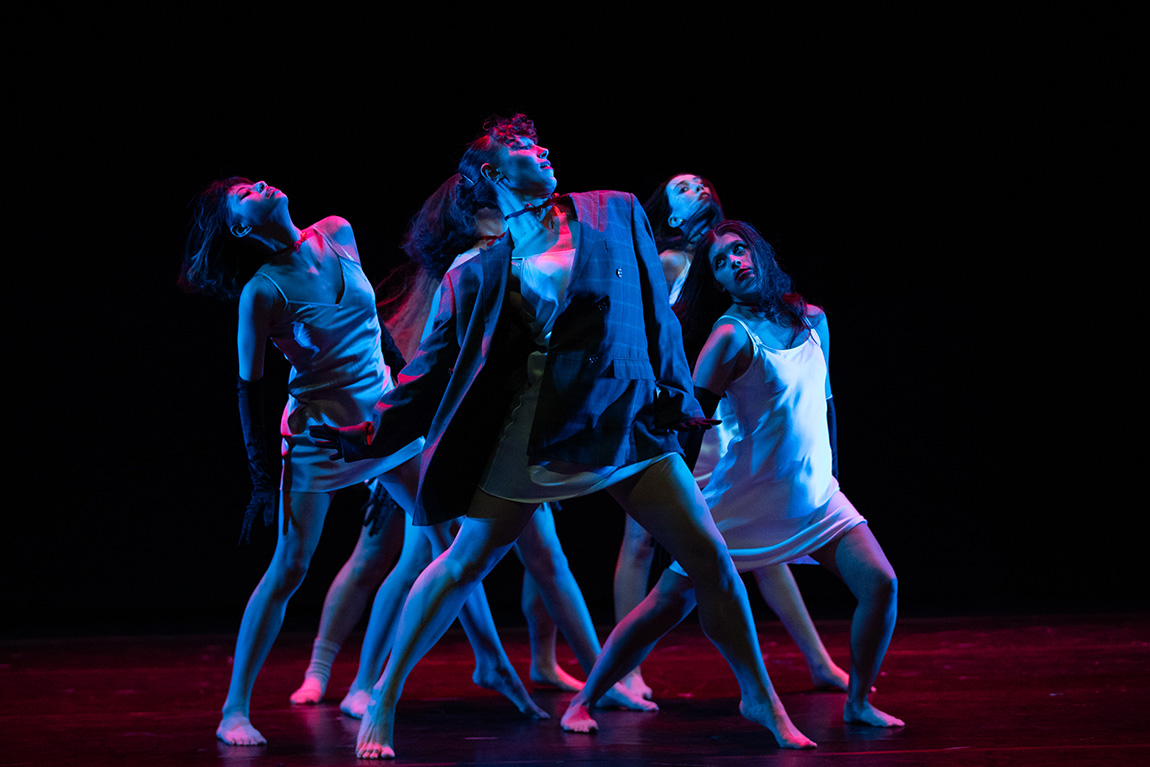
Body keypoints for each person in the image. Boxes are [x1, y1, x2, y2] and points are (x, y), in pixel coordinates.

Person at [314, 115, 815, 757]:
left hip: (623, 419)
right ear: (493, 175)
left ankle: (760, 698)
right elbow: (429, 369)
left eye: (539, 143)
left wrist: (679, 396)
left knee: (712, 559)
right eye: (523, 148)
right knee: (461, 563)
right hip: (530, 433)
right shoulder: (478, 270)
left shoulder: (614, 213)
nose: (543, 150)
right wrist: (367, 432)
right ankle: (382, 702)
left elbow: (658, 319)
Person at [180, 177, 546, 746]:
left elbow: (376, 329)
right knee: (290, 567)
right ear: (240, 226)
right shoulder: (264, 291)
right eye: (245, 194)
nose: (261, 185)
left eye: (256, 181)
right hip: (321, 440)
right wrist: (259, 480)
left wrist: (405, 403)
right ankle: (234, 710)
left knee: (451, 544)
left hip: (380, 427)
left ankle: (480, 664)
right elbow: (247, 388)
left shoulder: (338, 232)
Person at [559, 221, 903, 733]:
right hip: (742, 500)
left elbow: (827, 403)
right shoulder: (727, 337)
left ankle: (857, 702)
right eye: (720, 262)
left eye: (739, 251)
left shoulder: (812, 319)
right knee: (664, 607)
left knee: (881, 583)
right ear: (717, 281)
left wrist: (834, 474)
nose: (734, 263)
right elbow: (689, 425)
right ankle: (584, 700)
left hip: (814, 496)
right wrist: (683, 503)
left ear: (759, 253)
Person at [616, 174, 850, 698]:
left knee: (761, 540)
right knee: (641, 538)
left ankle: (817, 661)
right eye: (681, 186)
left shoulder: (731, 252)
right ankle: (626, 672)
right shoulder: (670, 262)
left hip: (725, 419)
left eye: (699, 181)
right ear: (672, 216)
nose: (696, 185)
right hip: (687, 408)